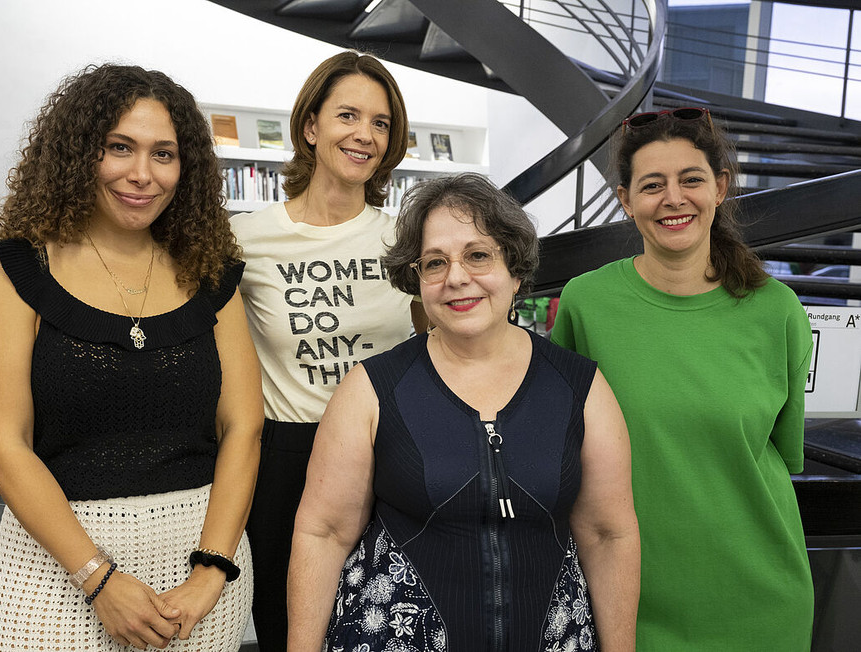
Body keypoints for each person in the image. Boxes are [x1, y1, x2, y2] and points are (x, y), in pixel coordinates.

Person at [0, 63, 262, 651]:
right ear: (78, 153)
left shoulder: (211, 275)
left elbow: (243, 426)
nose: (142, 175)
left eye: (164, 154)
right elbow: (1, 444)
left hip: (202, 581)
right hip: (54, 574)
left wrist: (212, 571)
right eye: (119, 148)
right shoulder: (18, 270)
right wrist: (98, 579)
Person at [287, 173, 640, 651]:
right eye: (435, 263)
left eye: (478, 255)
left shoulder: (579, 386)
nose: (456, 278)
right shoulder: (371, 389)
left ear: (515, 270)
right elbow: (323, 534)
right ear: (417, 281)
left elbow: (608, 534)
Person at [551, 107, 814, 650]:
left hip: (760, 602)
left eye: (691, 180)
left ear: (719, 188)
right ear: (625, 200)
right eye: (652, 185)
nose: (674, 199)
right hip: (625, 603)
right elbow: (560, 448)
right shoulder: (586, 304)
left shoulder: (778, 310)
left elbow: (779, 456)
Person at [229, 50, 424, 650]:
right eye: (347, 115)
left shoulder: (406, 239)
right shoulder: (245, 239)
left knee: (391, 622)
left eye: (381, 123)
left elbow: (438, 346)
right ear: (311, 127)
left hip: (391, 450)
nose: (364, 135)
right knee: (291, 626)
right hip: (289, 454)